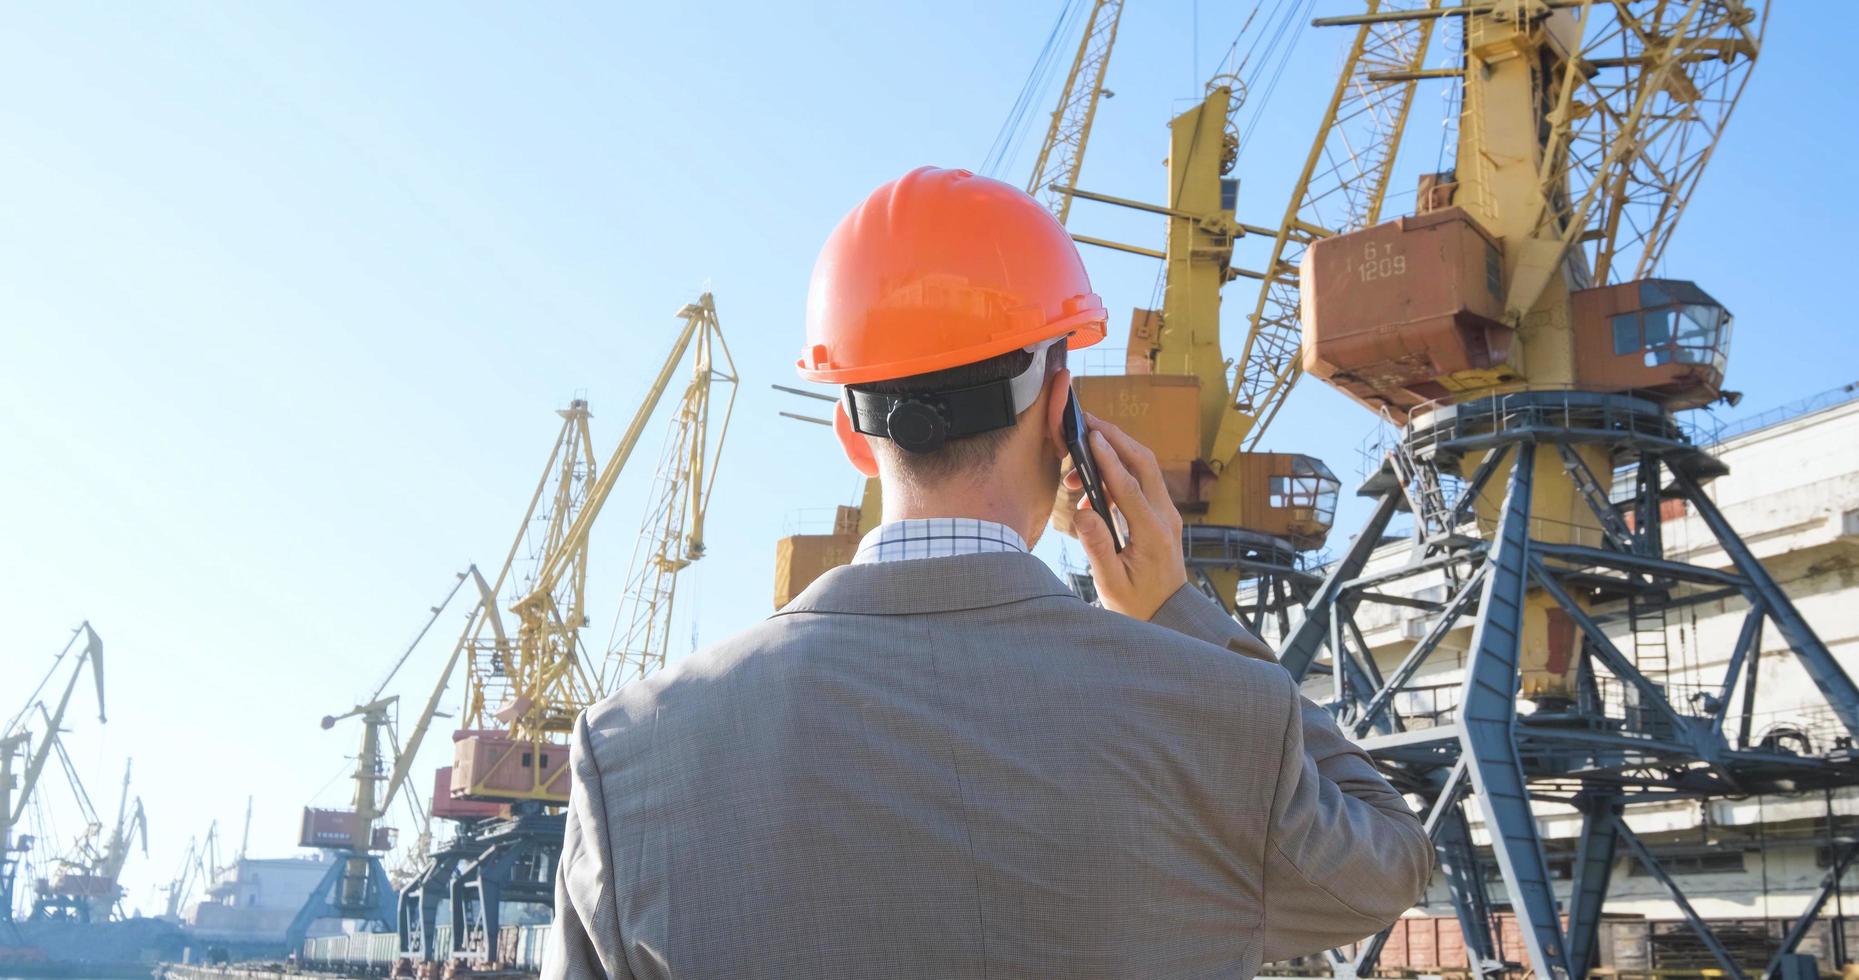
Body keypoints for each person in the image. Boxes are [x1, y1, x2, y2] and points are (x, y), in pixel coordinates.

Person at [544, 167, 1431, 979]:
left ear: (851, 434)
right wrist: (1174, 613)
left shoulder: (628, 755)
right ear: (1060, 410)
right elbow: (1385, 864)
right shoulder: (1211, 715)